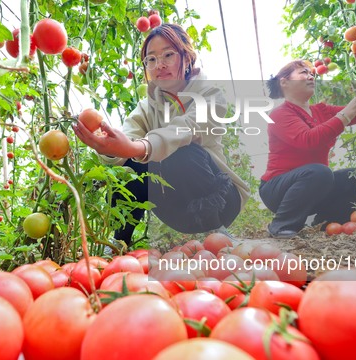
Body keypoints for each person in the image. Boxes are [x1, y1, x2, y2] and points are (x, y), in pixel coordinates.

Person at [73, 23, 250, 247]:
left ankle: (216, 233)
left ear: (187, 58)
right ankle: (120, 243)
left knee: (182, 153)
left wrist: (137, 147)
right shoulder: (146, 107)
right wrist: (106, 147)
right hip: (176, 209)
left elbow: (184, 129)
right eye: (152, 59)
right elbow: (127, 141)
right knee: (128, 168)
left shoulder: (210, 95)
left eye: (168, 55)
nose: (160, 65)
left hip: (222, 201)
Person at [259, 48, 356, 239]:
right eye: (303, 72)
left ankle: (328, 223)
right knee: (320, 171)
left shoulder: (322, 111)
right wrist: (347, 112)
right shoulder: (279, 114)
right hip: (278, 191)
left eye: (311, 73)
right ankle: (282, 225)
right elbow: (308, 140)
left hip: (315, 186)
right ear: (285, 82)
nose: (310, 76)